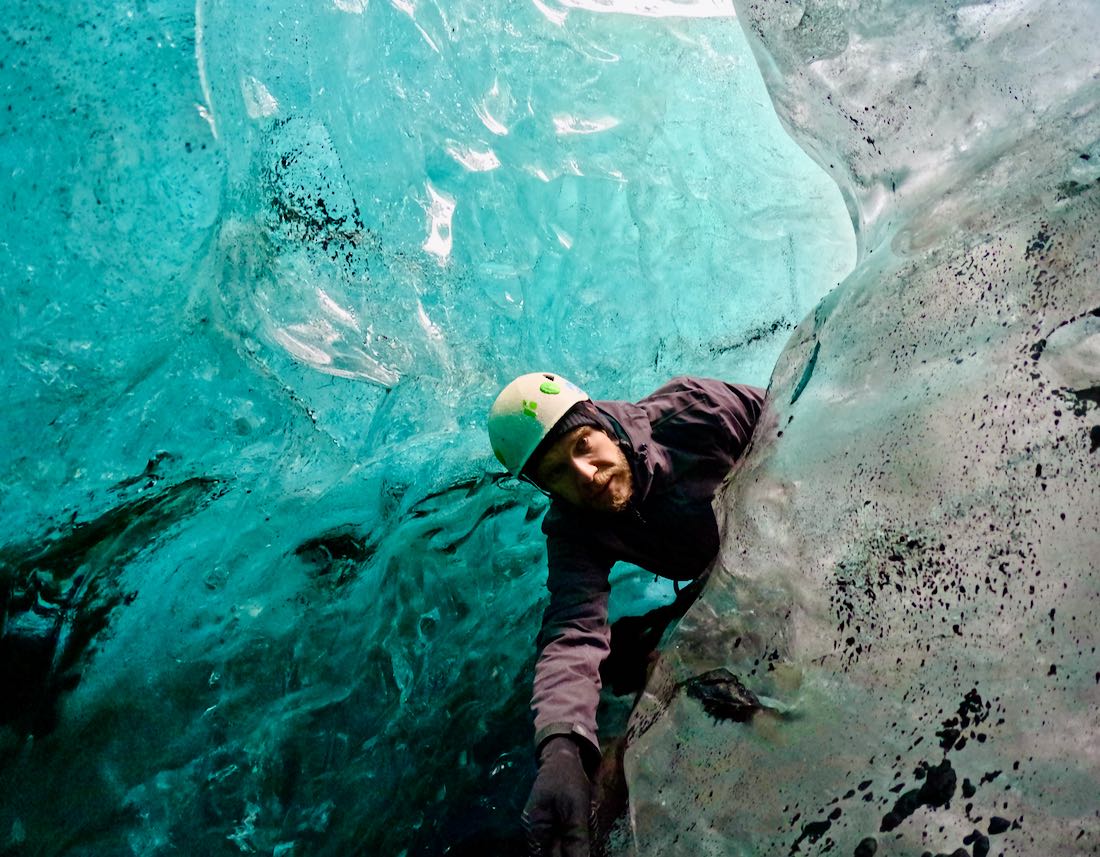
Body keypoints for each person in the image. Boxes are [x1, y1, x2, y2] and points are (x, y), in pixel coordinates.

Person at [487, 372, 765, 856]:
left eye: (583, 444)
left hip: (784, 541)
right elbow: (572, 632)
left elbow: (808, 434)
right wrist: (561, 749)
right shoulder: (574, 527)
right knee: (624, 659)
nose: (586, 476)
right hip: (716, 575)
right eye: (556, 473)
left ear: (599, 422)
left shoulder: (700, 412)